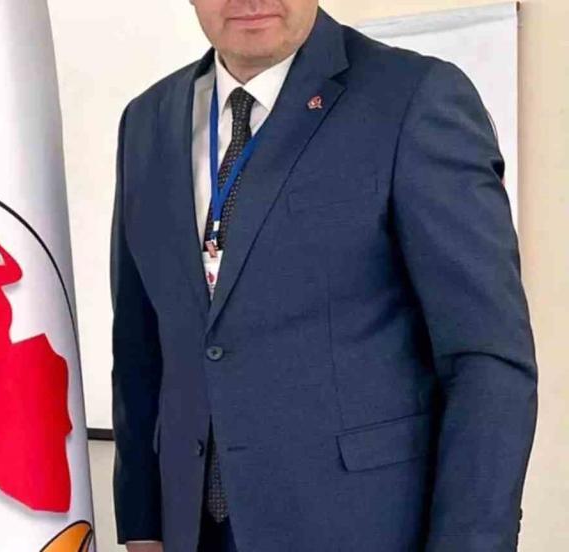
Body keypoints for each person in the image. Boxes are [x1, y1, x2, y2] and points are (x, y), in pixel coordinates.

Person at [109, 1, 538, 551]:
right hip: (191, 531)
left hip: (362, 528)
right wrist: (143, 525)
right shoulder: (147, 121)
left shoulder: (413, 98)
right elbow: (139, 344)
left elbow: (485, 358)